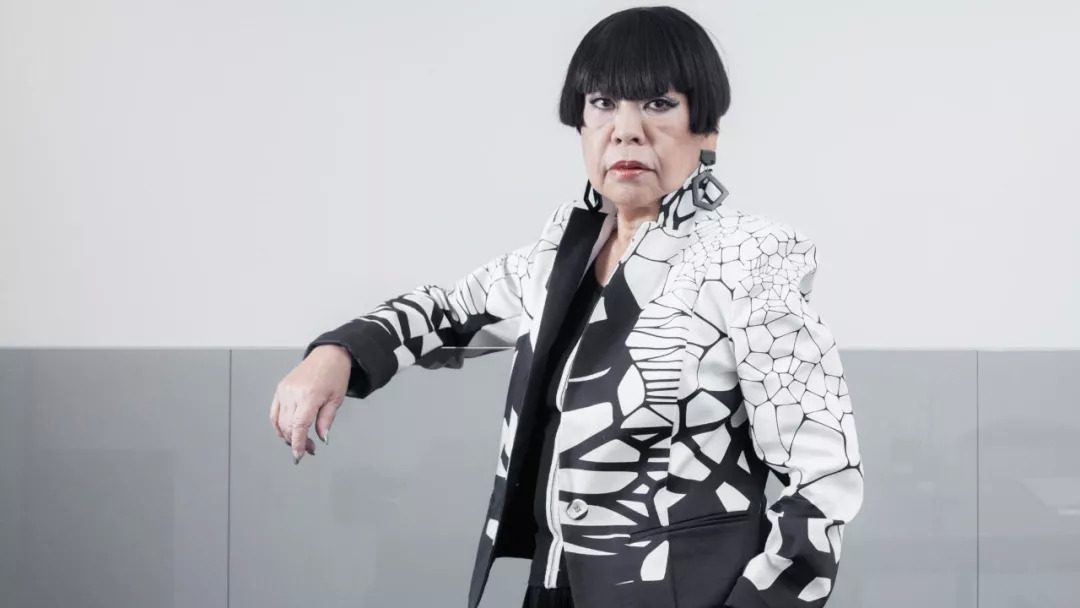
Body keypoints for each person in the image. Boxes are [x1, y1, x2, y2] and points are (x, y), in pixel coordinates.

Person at [269, 6, 864, 608]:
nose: (626, 131)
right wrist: (337, 353)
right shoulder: (561, 256)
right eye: (602, 103)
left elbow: (822, 479)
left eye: (659, 103)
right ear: (580, 123)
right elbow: (446, 313)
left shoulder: (751, 259)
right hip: (552, 587)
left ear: (706, 129)